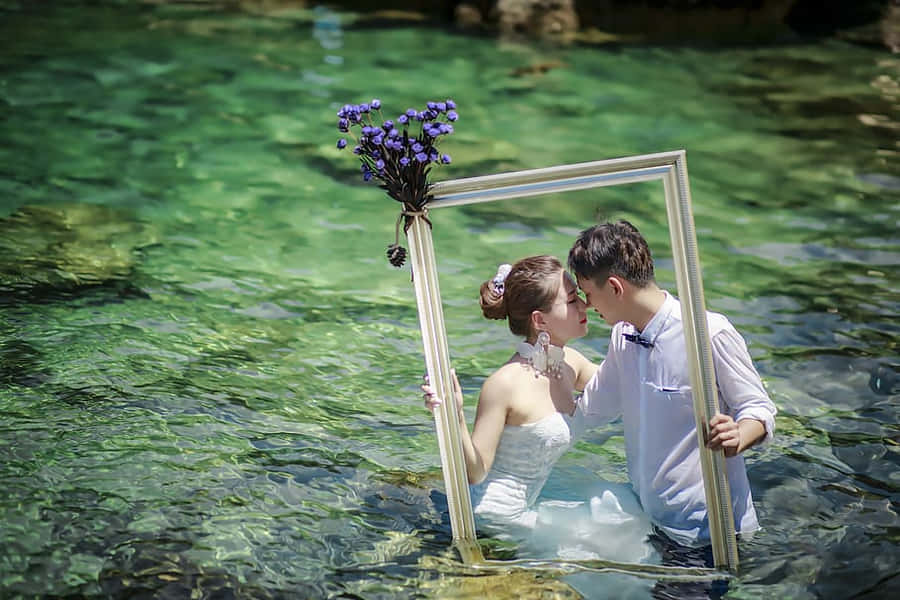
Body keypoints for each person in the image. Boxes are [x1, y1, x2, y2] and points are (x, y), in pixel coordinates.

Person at [425, 255, 658, 565]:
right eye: (573, 299)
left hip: (531, 506)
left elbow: (627, 383)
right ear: (540, 320)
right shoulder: (503, 384)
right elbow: (475, 471)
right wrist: (453, 416)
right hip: (493, 520)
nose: (585, 306)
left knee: (627, 517)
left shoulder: (570, 363)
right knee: (608, 551)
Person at [568, 220, 777, 550]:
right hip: (649, 522)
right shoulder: (621, 335)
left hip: (708, 535)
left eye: (590, 294)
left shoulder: (709, 332)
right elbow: (594, 408)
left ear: (615, 287)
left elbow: (759, 408)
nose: (589, 305)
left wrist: (740, 435)